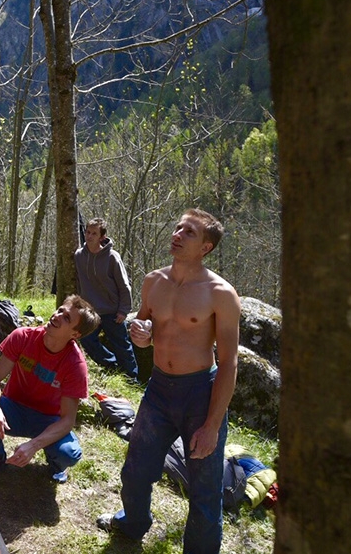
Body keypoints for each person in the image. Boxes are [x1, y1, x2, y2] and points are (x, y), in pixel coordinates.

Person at [96, 209, 241, 554]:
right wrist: (141, 335)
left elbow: (229, 362)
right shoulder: (153, 281)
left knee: (205, 491)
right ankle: (132, 524)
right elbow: (143, 327)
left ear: (206, 247)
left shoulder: (221, 293)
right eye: (178, 227)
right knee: (135, 470)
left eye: (189, 232)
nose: (177, 234)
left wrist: (212, 424)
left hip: (200, 394)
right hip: (159, 389)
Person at [0, 294, 101, 485]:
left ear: (75, 334)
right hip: (13, 409)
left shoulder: (75, 364)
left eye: (66, 318)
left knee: (69, 454)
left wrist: (33, 445)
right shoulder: (23, 336)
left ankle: (56, 465)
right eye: (60, 310)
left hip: (47, 421)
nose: (57, 316)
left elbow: (68, 420)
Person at [73, 217, 139, 381]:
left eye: (94, 233)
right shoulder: (79, 256)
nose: (89, 236)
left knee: (122, 346)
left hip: (112, 310)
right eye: (88, 232)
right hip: (91, 311)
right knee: (86, 340)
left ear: (102, 237)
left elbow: (124, 286)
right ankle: (112, 367)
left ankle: (132, 379)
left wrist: (124, 310)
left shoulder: (112, 257)